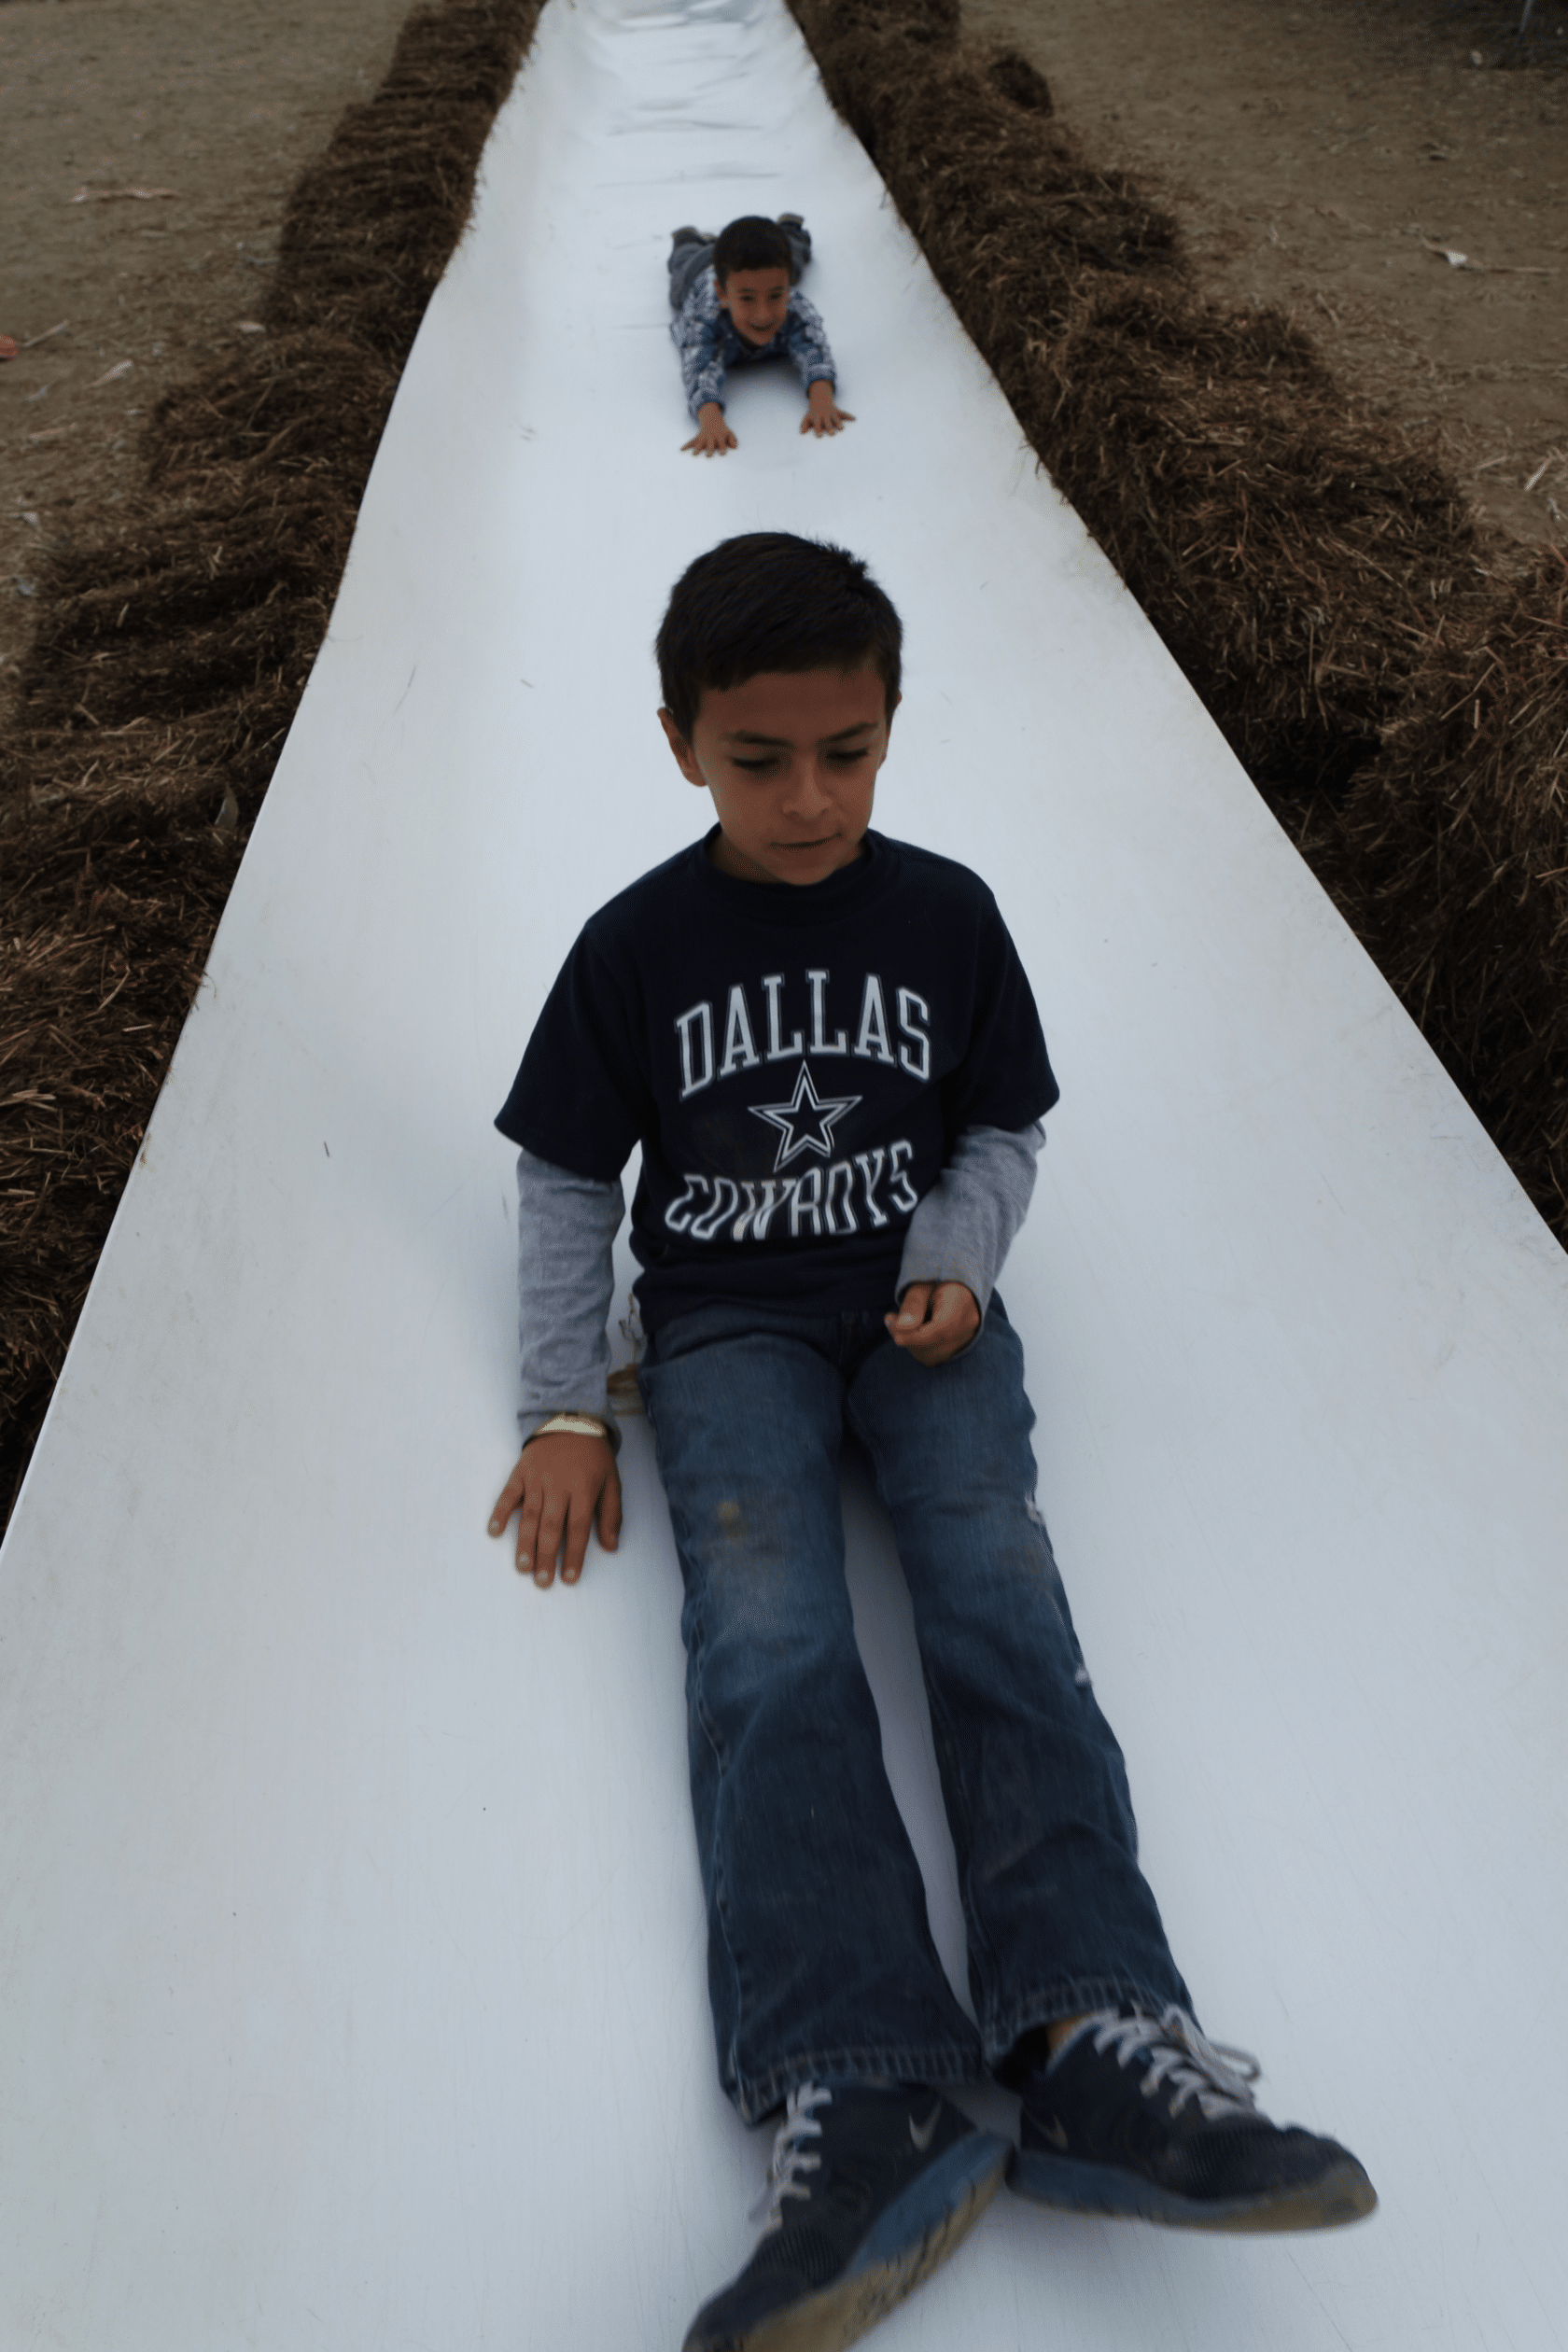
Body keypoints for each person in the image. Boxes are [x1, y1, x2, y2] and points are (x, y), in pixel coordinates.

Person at [488, 534, 1376, 2352]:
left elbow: (1000, 1132)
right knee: (769, 1642)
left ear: (894, 726)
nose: (810, 797)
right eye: (760, 759)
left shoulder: (949, 920)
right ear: (680, 742)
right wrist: (566, 1404)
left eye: (851, 751)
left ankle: (1092, 2036)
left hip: (922, 1316)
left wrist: (959, 1260)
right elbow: (568, 1177)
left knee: (998, 1597)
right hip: (727, 1332)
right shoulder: (635, 948)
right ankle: (861, 2086)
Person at [668, 213, 854, 456]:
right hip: (700, 267)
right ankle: (687, 240)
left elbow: (814, 348)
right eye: (747, 299)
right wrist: (710, 420)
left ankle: (790, 230)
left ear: (788, 288)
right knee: (679, 279)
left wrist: (821, 399)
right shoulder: (705, 319)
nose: (763, 314)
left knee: (793, 259)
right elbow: (698, 369)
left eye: (776, 295)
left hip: (752, 267)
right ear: (722, 294)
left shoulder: (795, 309)